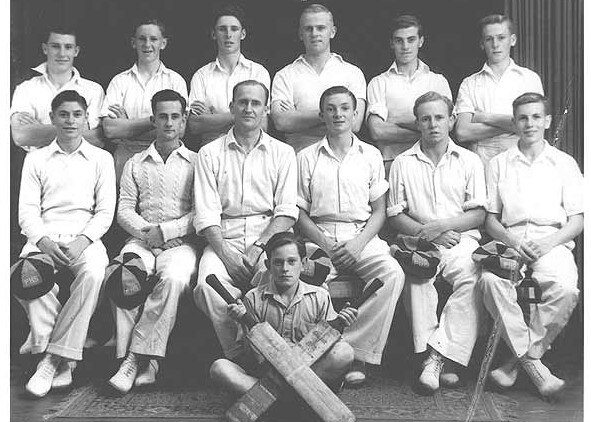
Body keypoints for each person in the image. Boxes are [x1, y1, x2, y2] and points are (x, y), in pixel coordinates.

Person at [297, 86, 404, 387]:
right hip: (319, 235)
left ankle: (353, 351)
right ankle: (317, 351)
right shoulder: (306, 157)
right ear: (322, 115)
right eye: (331, 108)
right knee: (307, 282)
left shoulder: (370, 155)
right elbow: (300, 212)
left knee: (392, 274)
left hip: (362, 234)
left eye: (345, 108)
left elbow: (380, 211)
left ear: (355, 114)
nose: (338, 114)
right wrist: (324, 243)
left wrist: (358, 245)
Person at [480, 93, 583, 398]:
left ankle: (516, 363)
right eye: (523, 118)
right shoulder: (499, 163)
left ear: (548, 121)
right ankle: (534, 364)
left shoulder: (564, 163)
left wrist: (548, 242)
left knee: (565, 289)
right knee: (488, 282)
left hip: (552, 241)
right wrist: (514, 241)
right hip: (510, 241)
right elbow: (491, 221)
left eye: (536, 117)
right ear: (514, 123)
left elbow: (577, 220)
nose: (530, 124)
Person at [15, 90, 116, 397]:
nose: (70, 120)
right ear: (52, 118)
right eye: (63, 114)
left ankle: (49, 359)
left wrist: (82, 241)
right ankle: (63, 360)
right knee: (22, 275)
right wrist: (43, 242)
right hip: (44, 235)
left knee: (95, 274)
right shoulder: (36, 159)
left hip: (85, 236)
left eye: (77, 114)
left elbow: (104, 211)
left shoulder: (101, 158)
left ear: (87, 119)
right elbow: (26, 212)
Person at [387, 91, 486, 393]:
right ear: (417, 123)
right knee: (416, 279)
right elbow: (395, 215)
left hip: (460, 242)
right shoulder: (402, 162)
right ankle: (438, 358)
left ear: (451, 120)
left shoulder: (469, 160)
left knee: (472, 276)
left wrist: (444, 227)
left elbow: (479, 214)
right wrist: (428, 234)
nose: (433, 124)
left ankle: (436, 358)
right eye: (426, 118)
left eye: (439, 117)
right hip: (418, 244)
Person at [193, 80, 298, 360]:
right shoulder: (209, 153)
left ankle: (276, 355)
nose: (248, 108)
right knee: (206, 285)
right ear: (232, 107)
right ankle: (240, 354)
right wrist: (227, 255)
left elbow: (286, 211)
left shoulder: (283, 153)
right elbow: (205, 214)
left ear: (265, 109)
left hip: (268, 238)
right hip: (222, 237)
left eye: (255, 103)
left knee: (280, 284)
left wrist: (259, 248)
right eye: (242, 102)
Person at [107, 90, 199, 394]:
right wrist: (150, 234)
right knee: (123, 273)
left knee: (174, 278)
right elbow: (123, 210)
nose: (169, 123)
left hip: (180, 244)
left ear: (184, 121)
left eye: (175, 117)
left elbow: (201, 212)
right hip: (141, 240)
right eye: (163, 116)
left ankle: (140, 358)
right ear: (153, 120)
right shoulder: (135, 163)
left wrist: (168, 233)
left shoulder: (197, 162)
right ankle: (128, 359)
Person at [210, 231, 357, 394]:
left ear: (303, 264)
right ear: (268, 265)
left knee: (344, 351)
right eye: (278, 263)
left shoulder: (320, 296)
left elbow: (330, 344)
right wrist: (243, 322)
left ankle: (273, 398)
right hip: (268, 373)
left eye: (291, 261)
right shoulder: (253, 298)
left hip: (308, 371)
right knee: (219, 368)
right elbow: (253, 358)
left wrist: (342, 323)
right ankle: (303, 396)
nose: (285, 269)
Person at [271, 3, 366, 153]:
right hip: (299, 158)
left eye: (321, 28)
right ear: (300, 34)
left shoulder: (352, 73)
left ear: (332, 31)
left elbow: (355, 124)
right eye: (308, 28)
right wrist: (337, 115)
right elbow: (281, 122)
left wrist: (298, 116)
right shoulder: (285, 75)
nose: (314, 33)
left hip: (345, 159)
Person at [101, 18, 188, 181]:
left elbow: (180, 131)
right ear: (133, 43)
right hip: (125, 160)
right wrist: (159, 122)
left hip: (165, 159)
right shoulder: (120, 81)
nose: (147, 44)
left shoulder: (175, 81)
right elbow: (110, 130)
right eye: (142, 38)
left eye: (153, 39)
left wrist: (127, 126)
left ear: (163, 43)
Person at [367, 14, 452, 175]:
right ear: (392, 43)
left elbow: (449, 125)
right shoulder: (378, 82)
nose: (405, 46)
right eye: (399, 40)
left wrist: (396, 121)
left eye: (411, 39)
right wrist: (427, 131)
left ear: (421, 41)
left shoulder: (437, 81)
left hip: (434, 161)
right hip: (391, 163)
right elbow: (378, 131)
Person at [454, 14, 544, 164]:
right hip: (481, 164)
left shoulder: (529, 79)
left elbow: (533, 125)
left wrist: (484, 117)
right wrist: (513, 125)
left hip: (520, 160)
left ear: (512, 40)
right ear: (482, 43)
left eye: (501, 38)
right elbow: (462, 132)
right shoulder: (469, 83)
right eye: (489, 39)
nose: (495, 44)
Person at [187, 3, 271, 148]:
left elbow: (263, 124)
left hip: (251, 149)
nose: (228, 35)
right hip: (212, 152)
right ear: (214, 34)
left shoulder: (258, 72)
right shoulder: (201, 75)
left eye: (234, 29)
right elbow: (194, 125)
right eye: (222, 29)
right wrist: (245, 116)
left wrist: (212, 118)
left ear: (242, 34)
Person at [11, 25, 105, 150]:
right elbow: (21, 136)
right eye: (55, 46)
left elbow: (98, 139)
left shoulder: (93, 90)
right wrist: (78, 130)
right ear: (45, 49)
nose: (62, 53)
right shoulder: (26, 89)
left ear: (76, 51)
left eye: (68, 47)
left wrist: (38, 130)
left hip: (82, 165)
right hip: (39, 164)